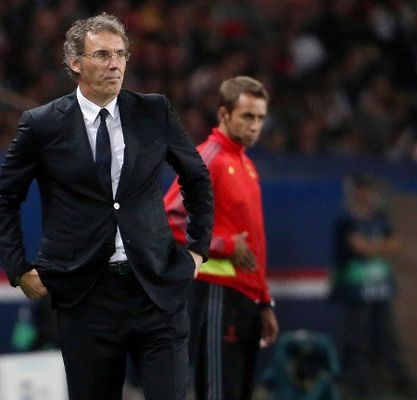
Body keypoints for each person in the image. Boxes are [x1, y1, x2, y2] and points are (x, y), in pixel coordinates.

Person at [0, 13, 213, 400]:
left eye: (120, 54)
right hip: (85, 296)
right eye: (102, 54)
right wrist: (18, 267)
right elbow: (4, 198)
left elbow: (197, 178)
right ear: (75, 63)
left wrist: (198, 250)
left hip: (157, 288)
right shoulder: (42, 124)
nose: (115, 64)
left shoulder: (154, 111)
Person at [164, 76, 279, 400]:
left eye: (260, 118)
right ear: (224, 115)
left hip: (244, 299)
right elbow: (171, 219)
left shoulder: (246, 164)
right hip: (216, 293)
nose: (255, 126)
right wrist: (226, 246)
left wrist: (263, 300)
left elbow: (254, 241)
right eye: (247, 116)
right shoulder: (209, 157)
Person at [331, 173, 417, 398]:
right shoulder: (346, 220)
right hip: (356, 291)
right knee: (358, 341)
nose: (366, 194)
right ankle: (360, 388)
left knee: (388, 339)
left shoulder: (380, 217)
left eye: (368, 189)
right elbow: (359, 247)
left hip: (379, 289)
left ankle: (402, 386)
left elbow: (396, 244)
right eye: (361, 189)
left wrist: (372, 247)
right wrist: (379, 247)